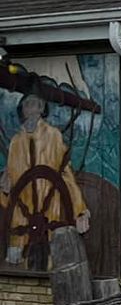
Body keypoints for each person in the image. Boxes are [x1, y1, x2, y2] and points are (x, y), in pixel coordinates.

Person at [4, 92, 90, 269]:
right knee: (17, 258)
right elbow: (10, 177)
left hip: (49, 208)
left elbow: (64, 174)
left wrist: (79, 211)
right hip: (21, 212)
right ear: (23, 109)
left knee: (51, 256)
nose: (31, 109)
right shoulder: (16, 142)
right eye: (27, 105)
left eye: (35, 104)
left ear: (42, 109)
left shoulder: (53, 136)